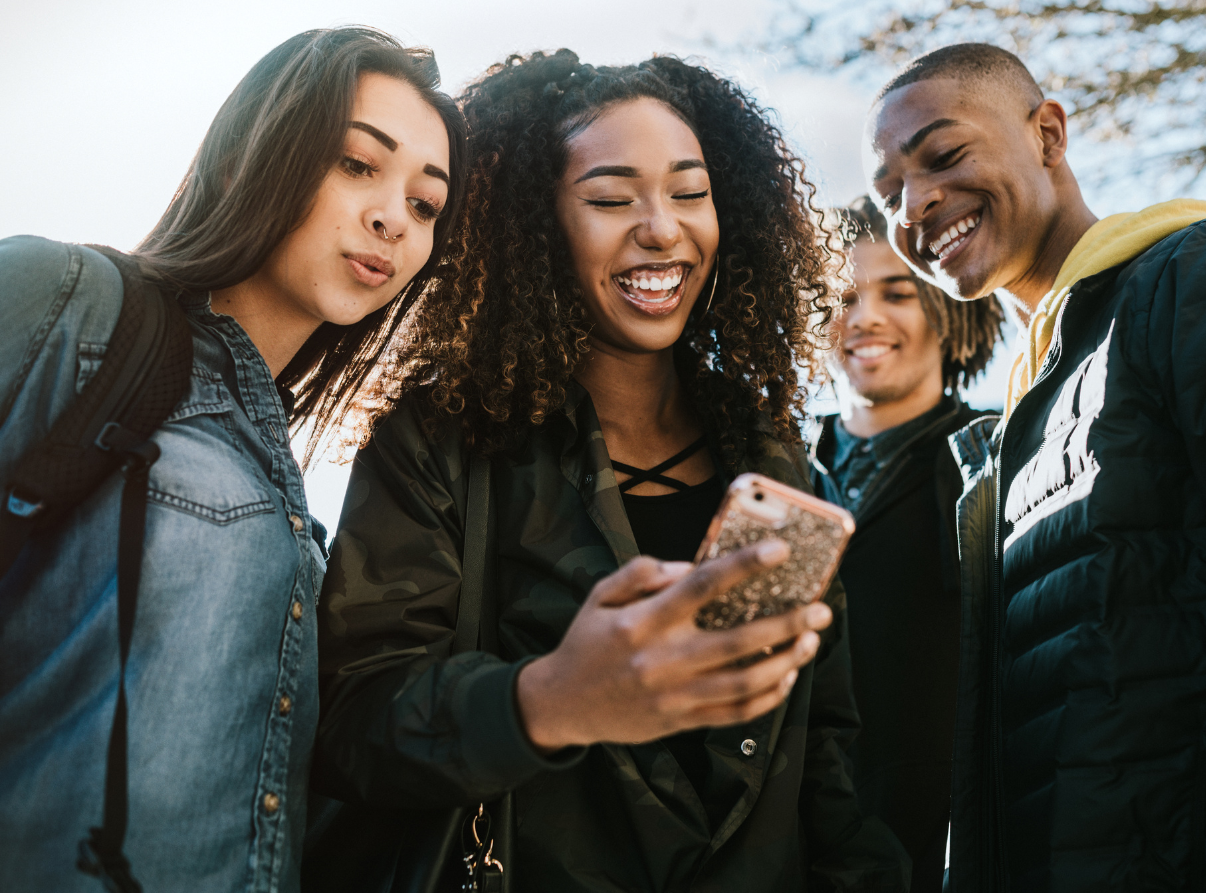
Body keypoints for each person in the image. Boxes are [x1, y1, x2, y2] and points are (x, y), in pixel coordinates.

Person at [311, 49, 907, 892]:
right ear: (537, 224)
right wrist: (549, 699)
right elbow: (351, 724)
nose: (662, 226)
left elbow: (828, 765)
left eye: (690, 192)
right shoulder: (441, 438)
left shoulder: (776, 459)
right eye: (610, 198)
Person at [864, 42, 1206, 892]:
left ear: (1048, 133)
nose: (917, 203)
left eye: (944, 155)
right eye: (890, 191)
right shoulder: (1014, 427)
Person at [0, 28, 466, 892]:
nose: (393, 218)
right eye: (358, 164)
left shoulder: (288, 489)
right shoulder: (68, 303)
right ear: (253, 150)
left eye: (427, 205)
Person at [809, 196, 1003, 893]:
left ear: (951, 311)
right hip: (792, 839)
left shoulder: (999, 458)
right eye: (845, 295)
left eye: (897, 293)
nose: (865, 317)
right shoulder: (770, 461)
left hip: (941, 848)